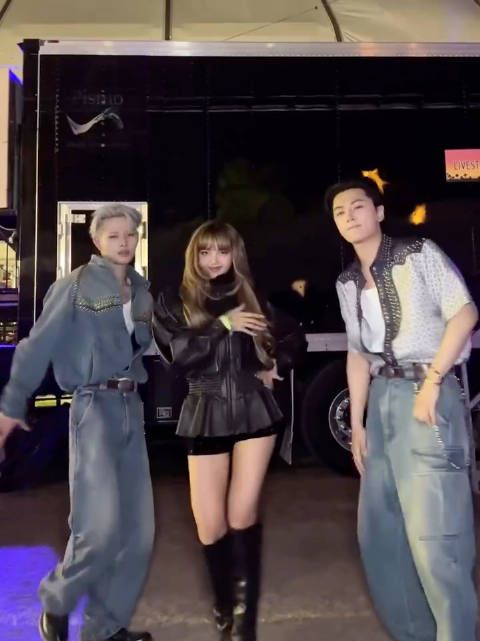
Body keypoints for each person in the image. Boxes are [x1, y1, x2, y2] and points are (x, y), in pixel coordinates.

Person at [326, 176, 478, 641]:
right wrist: (357, 424)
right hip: (383, 402)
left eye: (357, 206)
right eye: (339, 212)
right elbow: (357, 353)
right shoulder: (347, 282)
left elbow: (464, 313)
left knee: (437, 540)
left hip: (426, 392)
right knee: (381, 537)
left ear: (378, 211)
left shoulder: (418, 253)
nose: (349, 216)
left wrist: (433, 382)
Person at [0, 204, 156, 641]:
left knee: (139, 534)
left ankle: (105, 628)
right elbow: (36, 345)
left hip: (132, 408)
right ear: (96, 240)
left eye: (130, 234)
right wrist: (12, 405)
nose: (124, 242)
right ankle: (56, 599)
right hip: (93, 408)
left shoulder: (142, 291)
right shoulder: (74, 286)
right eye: (114, 235)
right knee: (98, 528)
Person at [154, 220, 305, 641]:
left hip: (254, 413)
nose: (214, 260)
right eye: (205, 251)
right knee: (209, 526)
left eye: (222, 251)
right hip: (204, 410)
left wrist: (276, 366)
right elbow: (179, 357)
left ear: (234, 253)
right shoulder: (174, 301)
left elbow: (294, 337)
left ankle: (242, 627)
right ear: (194, 256)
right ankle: (225, 606)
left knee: (242, 516)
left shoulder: (251, 296)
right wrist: (223, 324)